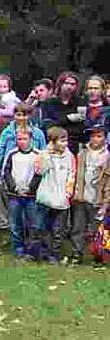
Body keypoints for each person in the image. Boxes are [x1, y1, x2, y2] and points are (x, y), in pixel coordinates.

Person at [0, 102, 47, 232]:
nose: (21, 118)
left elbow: (43, 151)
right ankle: (7, 224)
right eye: (18, 114)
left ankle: (30, 228)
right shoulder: (7, 131)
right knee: (10, 196)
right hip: (11, 168)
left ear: (29, 116)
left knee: (30, 199)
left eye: (24, 115)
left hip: (31, 170)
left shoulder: (37, 133)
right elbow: (0, 150)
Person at [35, 126, 75, 264]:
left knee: (58, 229)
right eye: (61, 141)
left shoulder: (70, 156)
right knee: (43, 227)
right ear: (52, 141)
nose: (65, 144)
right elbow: (40, 171)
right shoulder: (43, 154)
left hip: (62, 198)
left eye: (66, 140)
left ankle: (55, 254)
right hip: (46, 197)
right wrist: (47, 154)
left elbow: (72, 174)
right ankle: (44, 253)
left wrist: (68, 192)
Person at [2, 127, 44, 259]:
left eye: (25, 139)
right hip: (15, 195)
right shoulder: (12, 154)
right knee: (15, 223)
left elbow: (40, 174)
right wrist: (14, 187)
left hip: (31, 196)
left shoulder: (38, 154)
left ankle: (32, 249)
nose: (22, 142)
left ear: (31, 139)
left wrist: (30, 188)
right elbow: (6, 172)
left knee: (33, 223)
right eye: (19, 139)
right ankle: (18, 248)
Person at [70, 123, 108, 263]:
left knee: (97, 229)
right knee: (78, 227)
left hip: (98, 199)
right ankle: (76, 253)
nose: (95, 139)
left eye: (99, 136)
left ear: (104, 138)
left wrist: (106, 201)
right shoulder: (82, 153)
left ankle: (98, 256)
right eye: (93, 136)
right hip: (82, 196)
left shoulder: (107, 156)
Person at [40, 72, 85, 155]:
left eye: (72, 84)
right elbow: (48, 125)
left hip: (75, 143)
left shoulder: (80, 102)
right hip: (55, 143)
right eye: (66, 83)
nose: (69, 86)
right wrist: (67, 119)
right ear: (60, 84)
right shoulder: (49, 103)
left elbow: (81, 125)